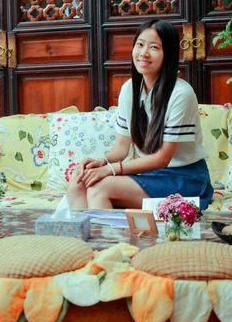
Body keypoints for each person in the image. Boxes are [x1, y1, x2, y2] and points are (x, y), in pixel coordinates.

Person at [67, 19, 213, 211]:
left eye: (154, 47)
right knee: (78, 182)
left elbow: (162, 158)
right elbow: (122, 147)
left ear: (168, 54)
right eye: (140, 45)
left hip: (184, 178)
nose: (144, 53)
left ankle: (108, 232)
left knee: (99, 188)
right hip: (149, 174)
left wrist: (110, 170)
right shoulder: (129, 89)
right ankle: (86, 231)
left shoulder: (181, 94)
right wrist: (100, 162)